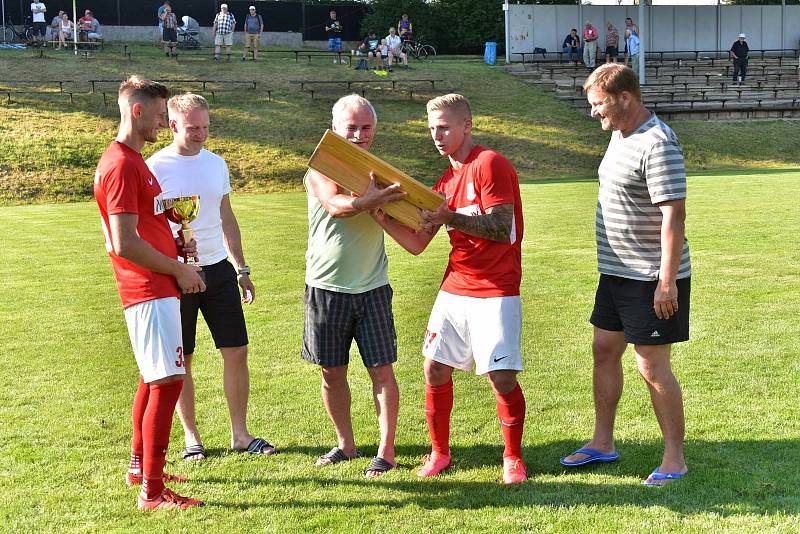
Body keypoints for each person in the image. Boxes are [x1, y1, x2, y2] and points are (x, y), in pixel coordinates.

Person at [369, 94, 528, 485]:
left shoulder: (490, 164)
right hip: (455, 286)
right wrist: (380, 217)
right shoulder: (445, 181)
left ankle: (513, 457)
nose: (436, 135)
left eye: (444, 127)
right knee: (435, 367)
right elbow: (418, 243)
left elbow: (501, 228)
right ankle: (440, 452)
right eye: (431, 128)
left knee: (501, 377)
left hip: (496, 288)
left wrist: (451, 215)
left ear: (466, 126)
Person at [560, 63, 691, 488]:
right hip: (615, 272)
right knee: (603, 348)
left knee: (651, 366)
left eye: (598, 105)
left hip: (650, 276)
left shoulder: (657, 143)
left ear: (625, 98)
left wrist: (666, 282)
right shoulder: (620, 134)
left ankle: (675, 458)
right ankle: (602, 441)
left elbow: (674, 216)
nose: (594, 113)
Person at [94, 75, 206, 510]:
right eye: (160, 116)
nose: (163, 124)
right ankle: (153, 493)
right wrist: (179, 268)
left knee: (152, 377)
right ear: (136, 110)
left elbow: (145, 228)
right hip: (148, 287)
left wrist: (176, 242)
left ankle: (141, 469)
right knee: (168, 381)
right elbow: (123, 241)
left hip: (155, 285)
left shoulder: (133, 160)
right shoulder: (121, 163)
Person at [146, 93, 277, 462]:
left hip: (218, 269)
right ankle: (192, 439)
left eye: (205, 126)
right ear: (173, 125)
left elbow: (227, 218)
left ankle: (240, 434)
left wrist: (241, 268)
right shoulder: (155, 167)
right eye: (193, 128)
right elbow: (150, 227)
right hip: (176, 272)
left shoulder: (217, 164)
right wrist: (175, 262)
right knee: (183, 359)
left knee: (236, 351)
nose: (202, 134)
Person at [302, 95, 407, 478]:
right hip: (325, 288)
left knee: (382, 372)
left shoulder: (381, 173)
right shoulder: (320, 166)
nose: (359, 135)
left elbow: (408, 218)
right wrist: (371, 199)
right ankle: (345, 445)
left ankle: (386, 450)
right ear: (335, 128)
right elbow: (334, 205)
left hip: (373, 287)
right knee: (331, 372)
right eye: (351, 127)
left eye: (366, 128)